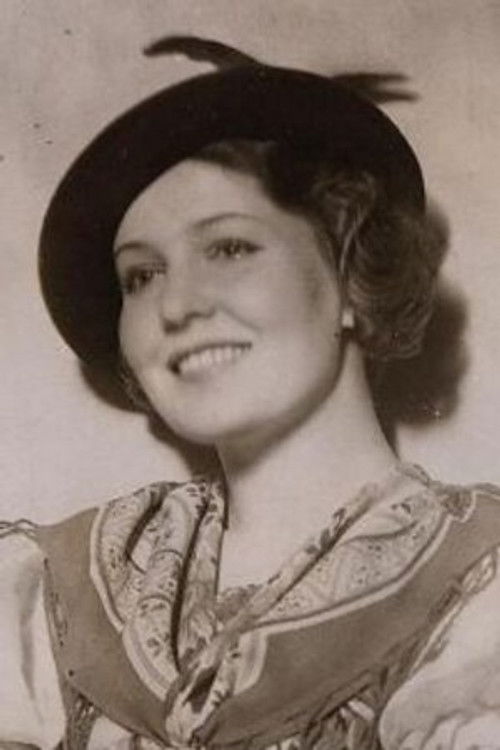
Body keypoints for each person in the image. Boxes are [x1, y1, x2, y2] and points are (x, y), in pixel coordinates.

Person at [2, 40, 500, 750]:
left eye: (229, 248)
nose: (176, 305)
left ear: (350, 275)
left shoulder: (478, 580)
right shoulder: (54, 591)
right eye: (140, 276)